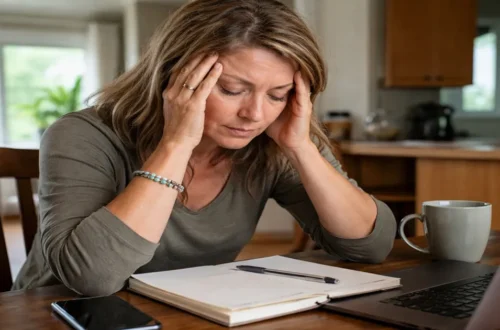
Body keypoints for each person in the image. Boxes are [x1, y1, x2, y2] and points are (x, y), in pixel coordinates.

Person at [13, 0, 396, 296]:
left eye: (278, 95)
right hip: (55, 314)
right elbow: (92, 278)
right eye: (232, 90)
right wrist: (177, 142)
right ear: (174, 75)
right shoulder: (82, 134)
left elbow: (372, 246)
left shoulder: (273, 141)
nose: (255, 114)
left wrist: (301, 147)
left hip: (178, 311)